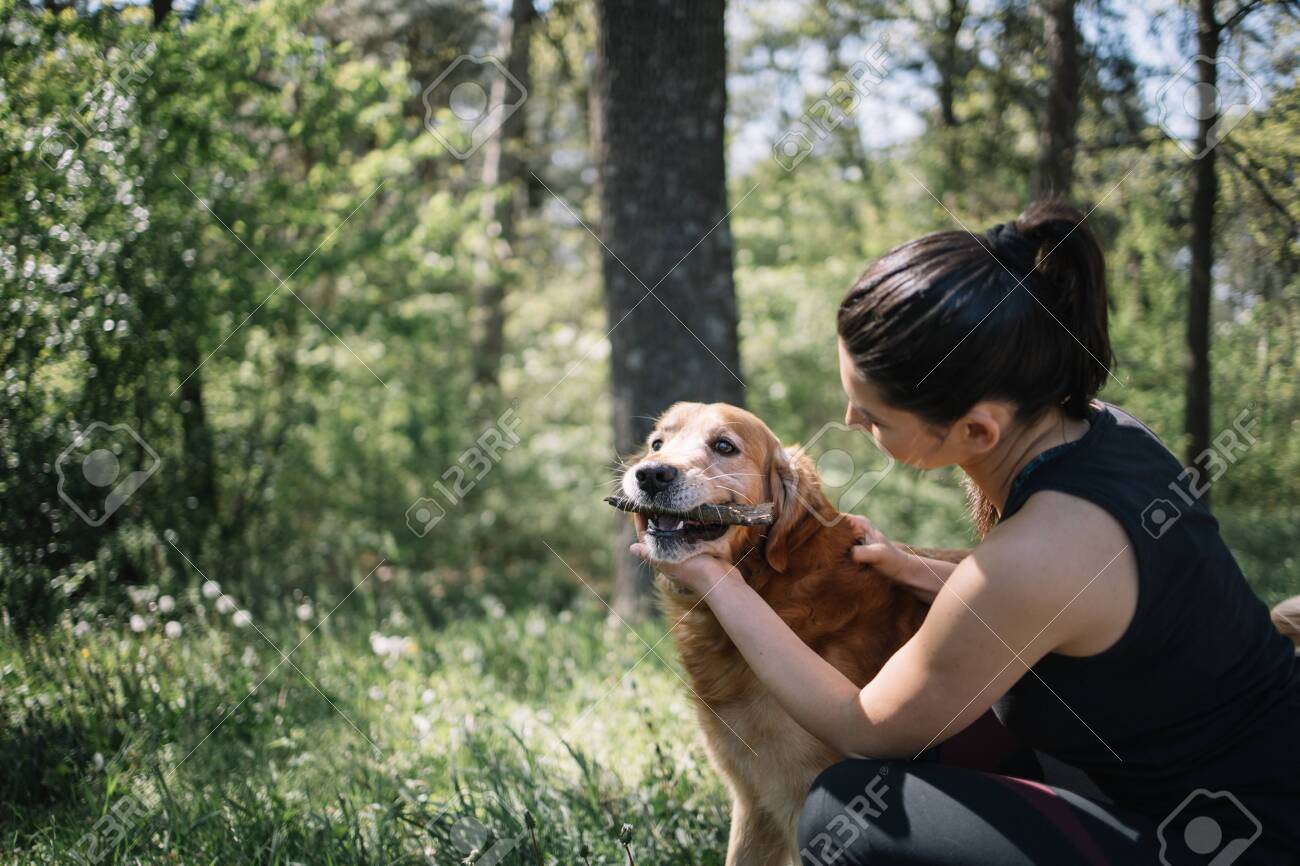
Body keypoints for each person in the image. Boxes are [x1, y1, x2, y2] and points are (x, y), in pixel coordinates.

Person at [631, 200, 1300, 865]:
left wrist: (716, 579)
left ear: (977, 430)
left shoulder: (1037, 551)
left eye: (874, 415)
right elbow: (1068, 609)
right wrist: (917, 568)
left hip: (1238, 844)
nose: (851, 421)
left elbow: (862, 729)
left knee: (846, 811)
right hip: (1254, 771)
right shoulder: (1101, 429)